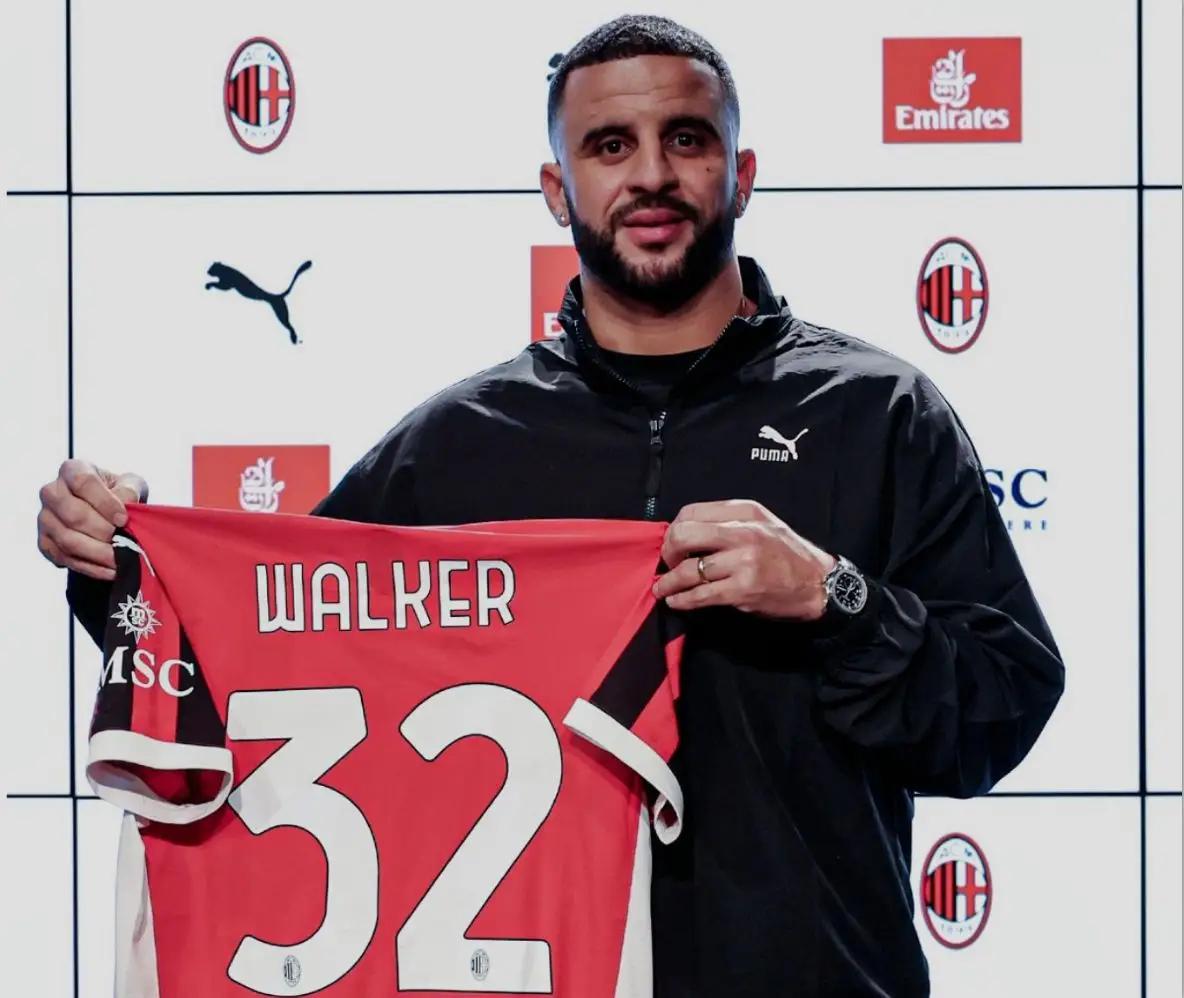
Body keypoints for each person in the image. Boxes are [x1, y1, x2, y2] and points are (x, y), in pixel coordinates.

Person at [38, 15, 1064, 997]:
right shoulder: (458, 445)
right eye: (610, 146)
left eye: (687, 139)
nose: (651, 175)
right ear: (555, 188)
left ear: (742, 174)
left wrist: (834, 598)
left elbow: (1000, 710)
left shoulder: (877, 414)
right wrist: (120, 571)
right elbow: (272, 647)